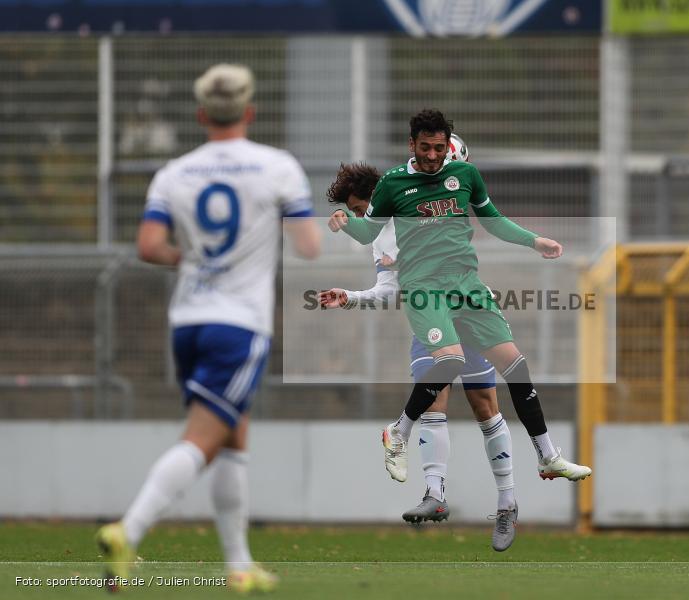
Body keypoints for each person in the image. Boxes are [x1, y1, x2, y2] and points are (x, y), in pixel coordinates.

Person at [95, 63, 321, 593]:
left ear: (201, 115)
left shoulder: (175, 172)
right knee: (202, 440)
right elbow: (309, 246)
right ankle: (127, 529)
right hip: (240, 324)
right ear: (250, 112)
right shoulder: (277, 167)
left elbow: (149, 247)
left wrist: (195, 261)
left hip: (188, 321)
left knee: (232, 437)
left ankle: (239, 567)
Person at [329, 109, 592, 544]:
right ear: (411, 146)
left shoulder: (457, 176)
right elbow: (384, 281)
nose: (434, 156)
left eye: (440, 149)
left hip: (466, 295)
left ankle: (517, 492)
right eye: (425, 148)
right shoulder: (386, 215)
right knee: (440, 386)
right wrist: (352, 265)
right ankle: (432, 488)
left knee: (492, 398)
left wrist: (534, 240)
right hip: (426, 303)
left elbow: (488, 217)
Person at [320, 157, 519, 551]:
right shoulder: (378, 237)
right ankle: (435, 495)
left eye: (361, 208)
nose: (363, 218)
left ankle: (507, 502)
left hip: (465, 312)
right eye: (358, 214)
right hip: (428, 319)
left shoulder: (417, 203)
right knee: (433, 400)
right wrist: (352, 297)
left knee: (485, 405)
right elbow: (388, 289)